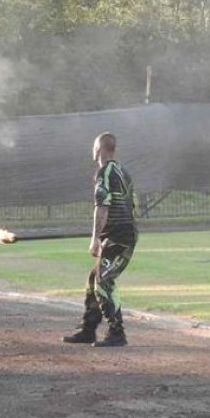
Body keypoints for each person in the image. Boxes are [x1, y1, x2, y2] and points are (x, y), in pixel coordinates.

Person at [64, 132, 138, 347]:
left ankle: (117, 333)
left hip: (119, 237)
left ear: (99, 149)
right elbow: (133, 205)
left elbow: (102, 205)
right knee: (93, 281)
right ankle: (88, 330)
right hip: (122, 233)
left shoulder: (104, 173)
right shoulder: (124, 172)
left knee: (103, 280)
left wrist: (96, 237)